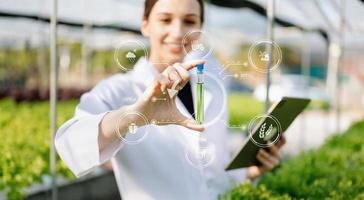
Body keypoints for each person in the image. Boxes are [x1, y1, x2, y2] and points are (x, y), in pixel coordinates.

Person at [55, 0, 285, 199]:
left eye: (189, 21)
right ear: (145, 25)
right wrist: (137, 115)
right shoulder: (118, 90)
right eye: (165, 20)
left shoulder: (211, 84)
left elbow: (209, 168)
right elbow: (71, 144)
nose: (178, 32)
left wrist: (248, 172)